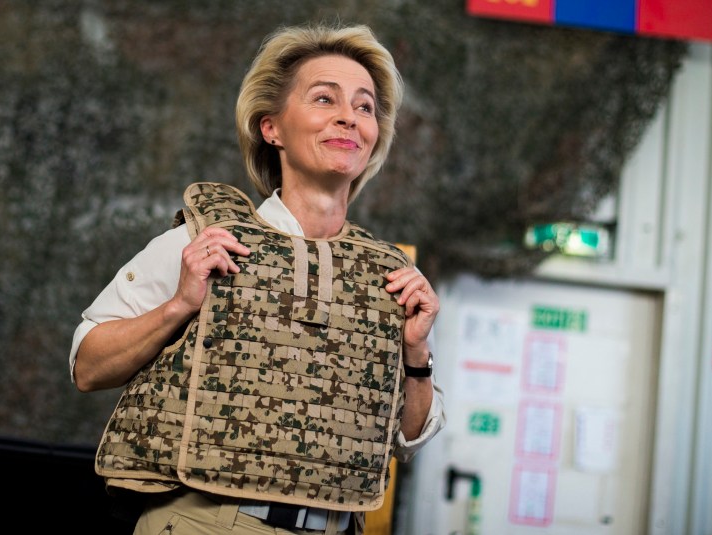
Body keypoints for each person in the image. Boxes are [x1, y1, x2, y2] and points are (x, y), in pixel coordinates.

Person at [70, 22, 445, 535]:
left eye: (364, 107)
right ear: (271, 128)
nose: (348, 118)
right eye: (323, 99)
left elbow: (408, 441)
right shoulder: (203, 242)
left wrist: (416, 354)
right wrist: (179, 304)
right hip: (209, 523)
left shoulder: (390, 276)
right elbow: (87, 368)